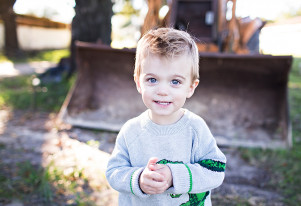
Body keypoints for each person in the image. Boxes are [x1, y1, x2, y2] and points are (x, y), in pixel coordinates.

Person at [106, 28, 226, 206]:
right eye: (152, 80)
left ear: (191, 87)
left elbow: (215, 171)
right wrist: (138, 180)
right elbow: (113, 172)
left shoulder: (195, 128)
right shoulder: (131, 131)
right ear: (139, 83)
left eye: (175, 82)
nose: (162, 91)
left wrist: (174, 176)